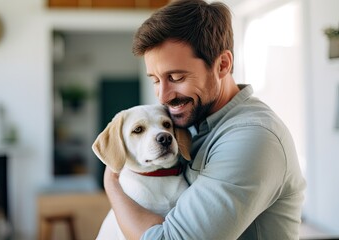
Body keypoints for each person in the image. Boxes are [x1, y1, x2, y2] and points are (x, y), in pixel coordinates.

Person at [103, 0, 306, 239]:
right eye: (156, 80)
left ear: (222, 64)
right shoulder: (198, 125)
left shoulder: (252, 137)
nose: (163, 96)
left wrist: (112, 185)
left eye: (176, 77)